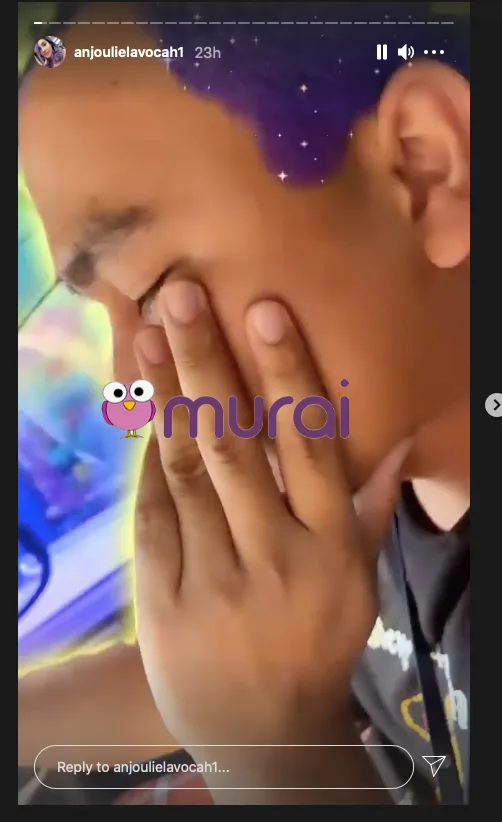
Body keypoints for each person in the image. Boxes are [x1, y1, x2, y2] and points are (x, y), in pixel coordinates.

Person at [18, 2, 469, 805]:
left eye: (152, 290)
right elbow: (216, 678)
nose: (133, 382)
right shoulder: (359, 509)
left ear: (425, 169)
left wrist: (273, 755)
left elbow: (251, 709)